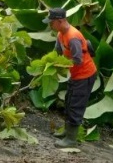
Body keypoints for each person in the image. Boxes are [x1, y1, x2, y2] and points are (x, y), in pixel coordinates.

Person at [42, 8, 97, 148]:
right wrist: (48, 64)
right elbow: (57, 52)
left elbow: (77, 60)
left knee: (75, 106)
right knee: (68, 101)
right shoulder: (61, 34)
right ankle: (67, 131)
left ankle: (71, 140)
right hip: (75, 75)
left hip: (85, 75)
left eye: (52, 23)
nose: (50, 26)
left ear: (60, 21)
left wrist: (61, 65)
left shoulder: (73, 37)